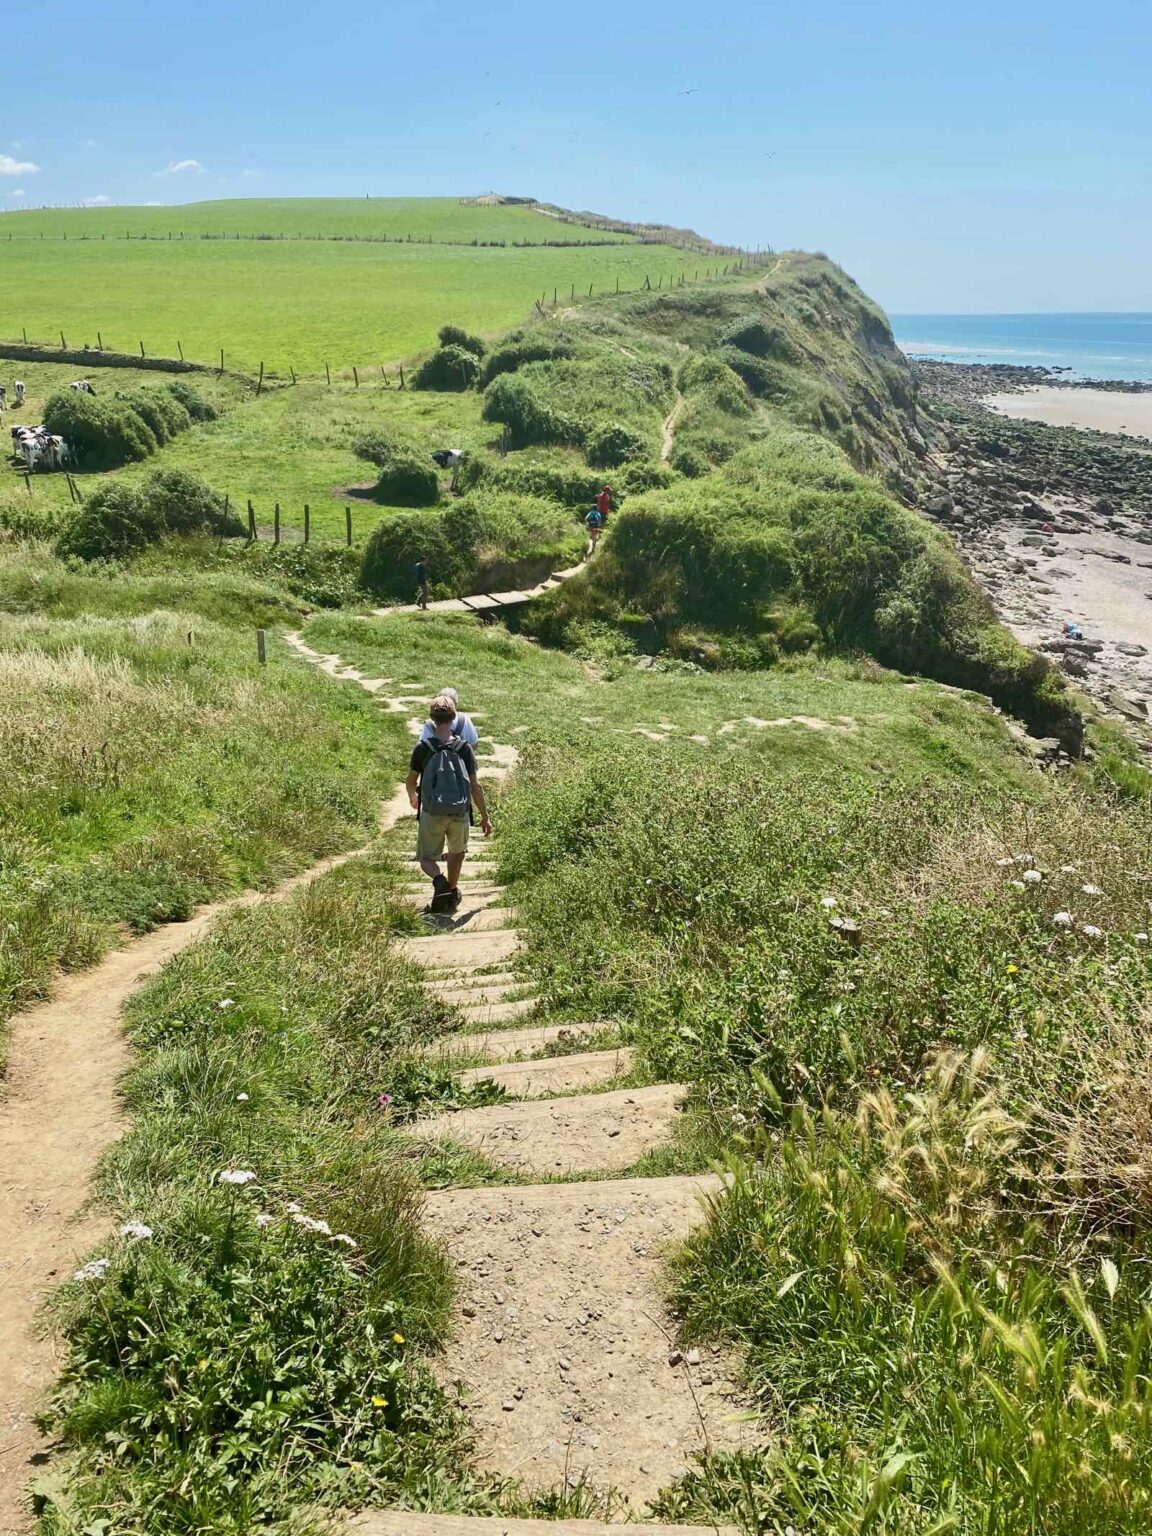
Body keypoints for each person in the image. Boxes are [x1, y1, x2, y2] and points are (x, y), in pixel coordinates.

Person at [407, 694, 490, 912]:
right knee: (457, 853)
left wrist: (413, 796)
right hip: (460, 811)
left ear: (432, 719)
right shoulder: (464, 748)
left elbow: (411, 780)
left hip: (432, 811)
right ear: (453, 718)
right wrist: (485, 816)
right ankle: (451, 893)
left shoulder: (423, 747)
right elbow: (475, 787)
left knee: (426, 857)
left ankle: (439, 881)